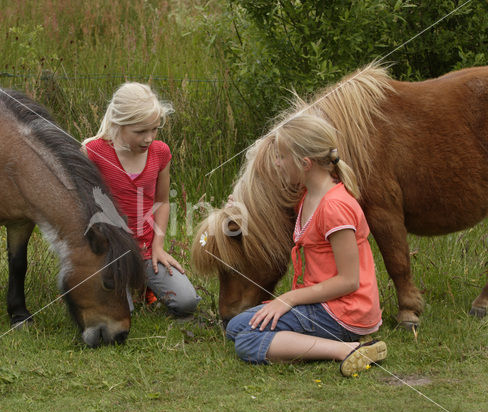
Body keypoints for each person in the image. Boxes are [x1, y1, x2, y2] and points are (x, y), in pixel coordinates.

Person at [225, 113, 386, 376]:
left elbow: (349, 281)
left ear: (305, 163)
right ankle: (320, 340)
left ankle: (347, 349)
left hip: (344, 311)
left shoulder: (335, 207)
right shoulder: (306, 194)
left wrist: (287, 300)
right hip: (321, 303)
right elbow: (269, 213)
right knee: (236, 326)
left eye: (281, 157)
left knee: (247, 341)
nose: (277, 163)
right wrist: (240, 208)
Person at [82, 82, 200, 317]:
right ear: (119, 123)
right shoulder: (93, 152)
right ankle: (125, 286)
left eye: (154, 129)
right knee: (123, 312)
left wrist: (158, 246)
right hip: (110, 252)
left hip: (146, 251)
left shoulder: (160, 152)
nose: (148, 138)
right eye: (140, 132)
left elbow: (163, 201)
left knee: (187, 302)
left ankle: (143, 282)